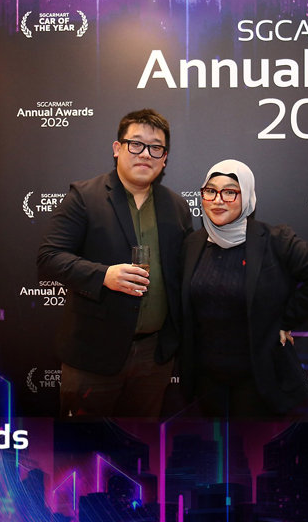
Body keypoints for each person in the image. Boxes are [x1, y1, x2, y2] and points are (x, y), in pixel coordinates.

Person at [37, 109, 193, 419]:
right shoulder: (84, 197)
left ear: (164, 158)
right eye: (136, 144)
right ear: (117, 148)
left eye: (156, 148)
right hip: (93, 354)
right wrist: (103, 275)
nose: (145, 154)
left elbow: (187, 273)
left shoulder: (177, 206)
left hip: (154, 357)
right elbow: (49, 258)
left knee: (140, 444)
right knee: (84, 445)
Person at [179, 159, 308, 417]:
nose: (218, 200)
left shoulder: (275, 240)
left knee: (251, 440)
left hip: (257, 378)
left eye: (230, 192)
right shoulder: (193, 242)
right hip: (206, 378)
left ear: (246, 196)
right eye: (210, 191)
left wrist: (285, 320)